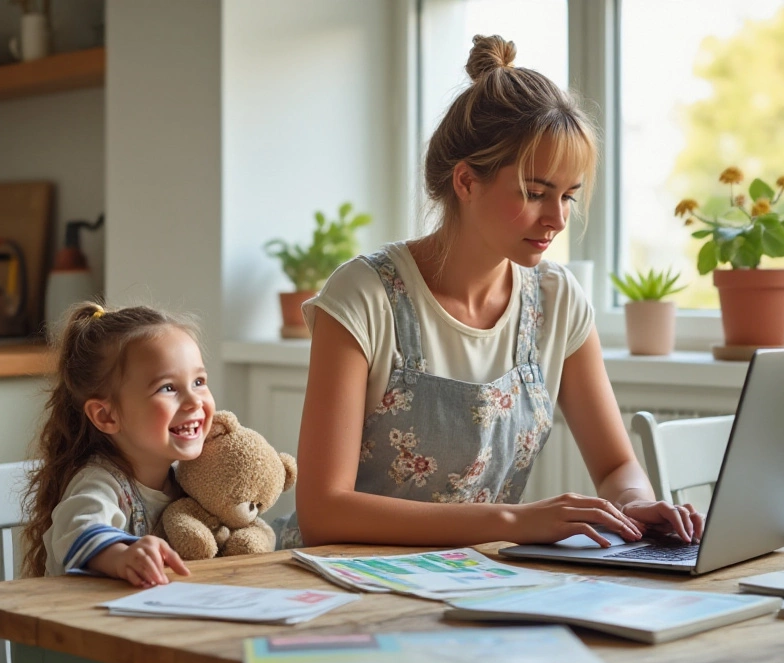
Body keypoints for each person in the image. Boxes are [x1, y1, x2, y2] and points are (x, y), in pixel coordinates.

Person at [286, 35, 705, 550]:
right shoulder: (364, 296)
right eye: (534, 193)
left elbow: (617, 465)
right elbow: (323, 511)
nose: (556, 219)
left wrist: (637, 504)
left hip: (476, 585)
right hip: (346, 587)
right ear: (466, 181)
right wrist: (512, 522)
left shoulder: (558, 300)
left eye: (568, 196)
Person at [21, 302, 212, 587]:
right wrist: (121, 556)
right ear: (106, 415)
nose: (195, 400)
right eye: (168, 388)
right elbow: (79, 530)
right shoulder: (99, 483)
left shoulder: (191, 478)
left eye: (198, 381)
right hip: (84, 627)